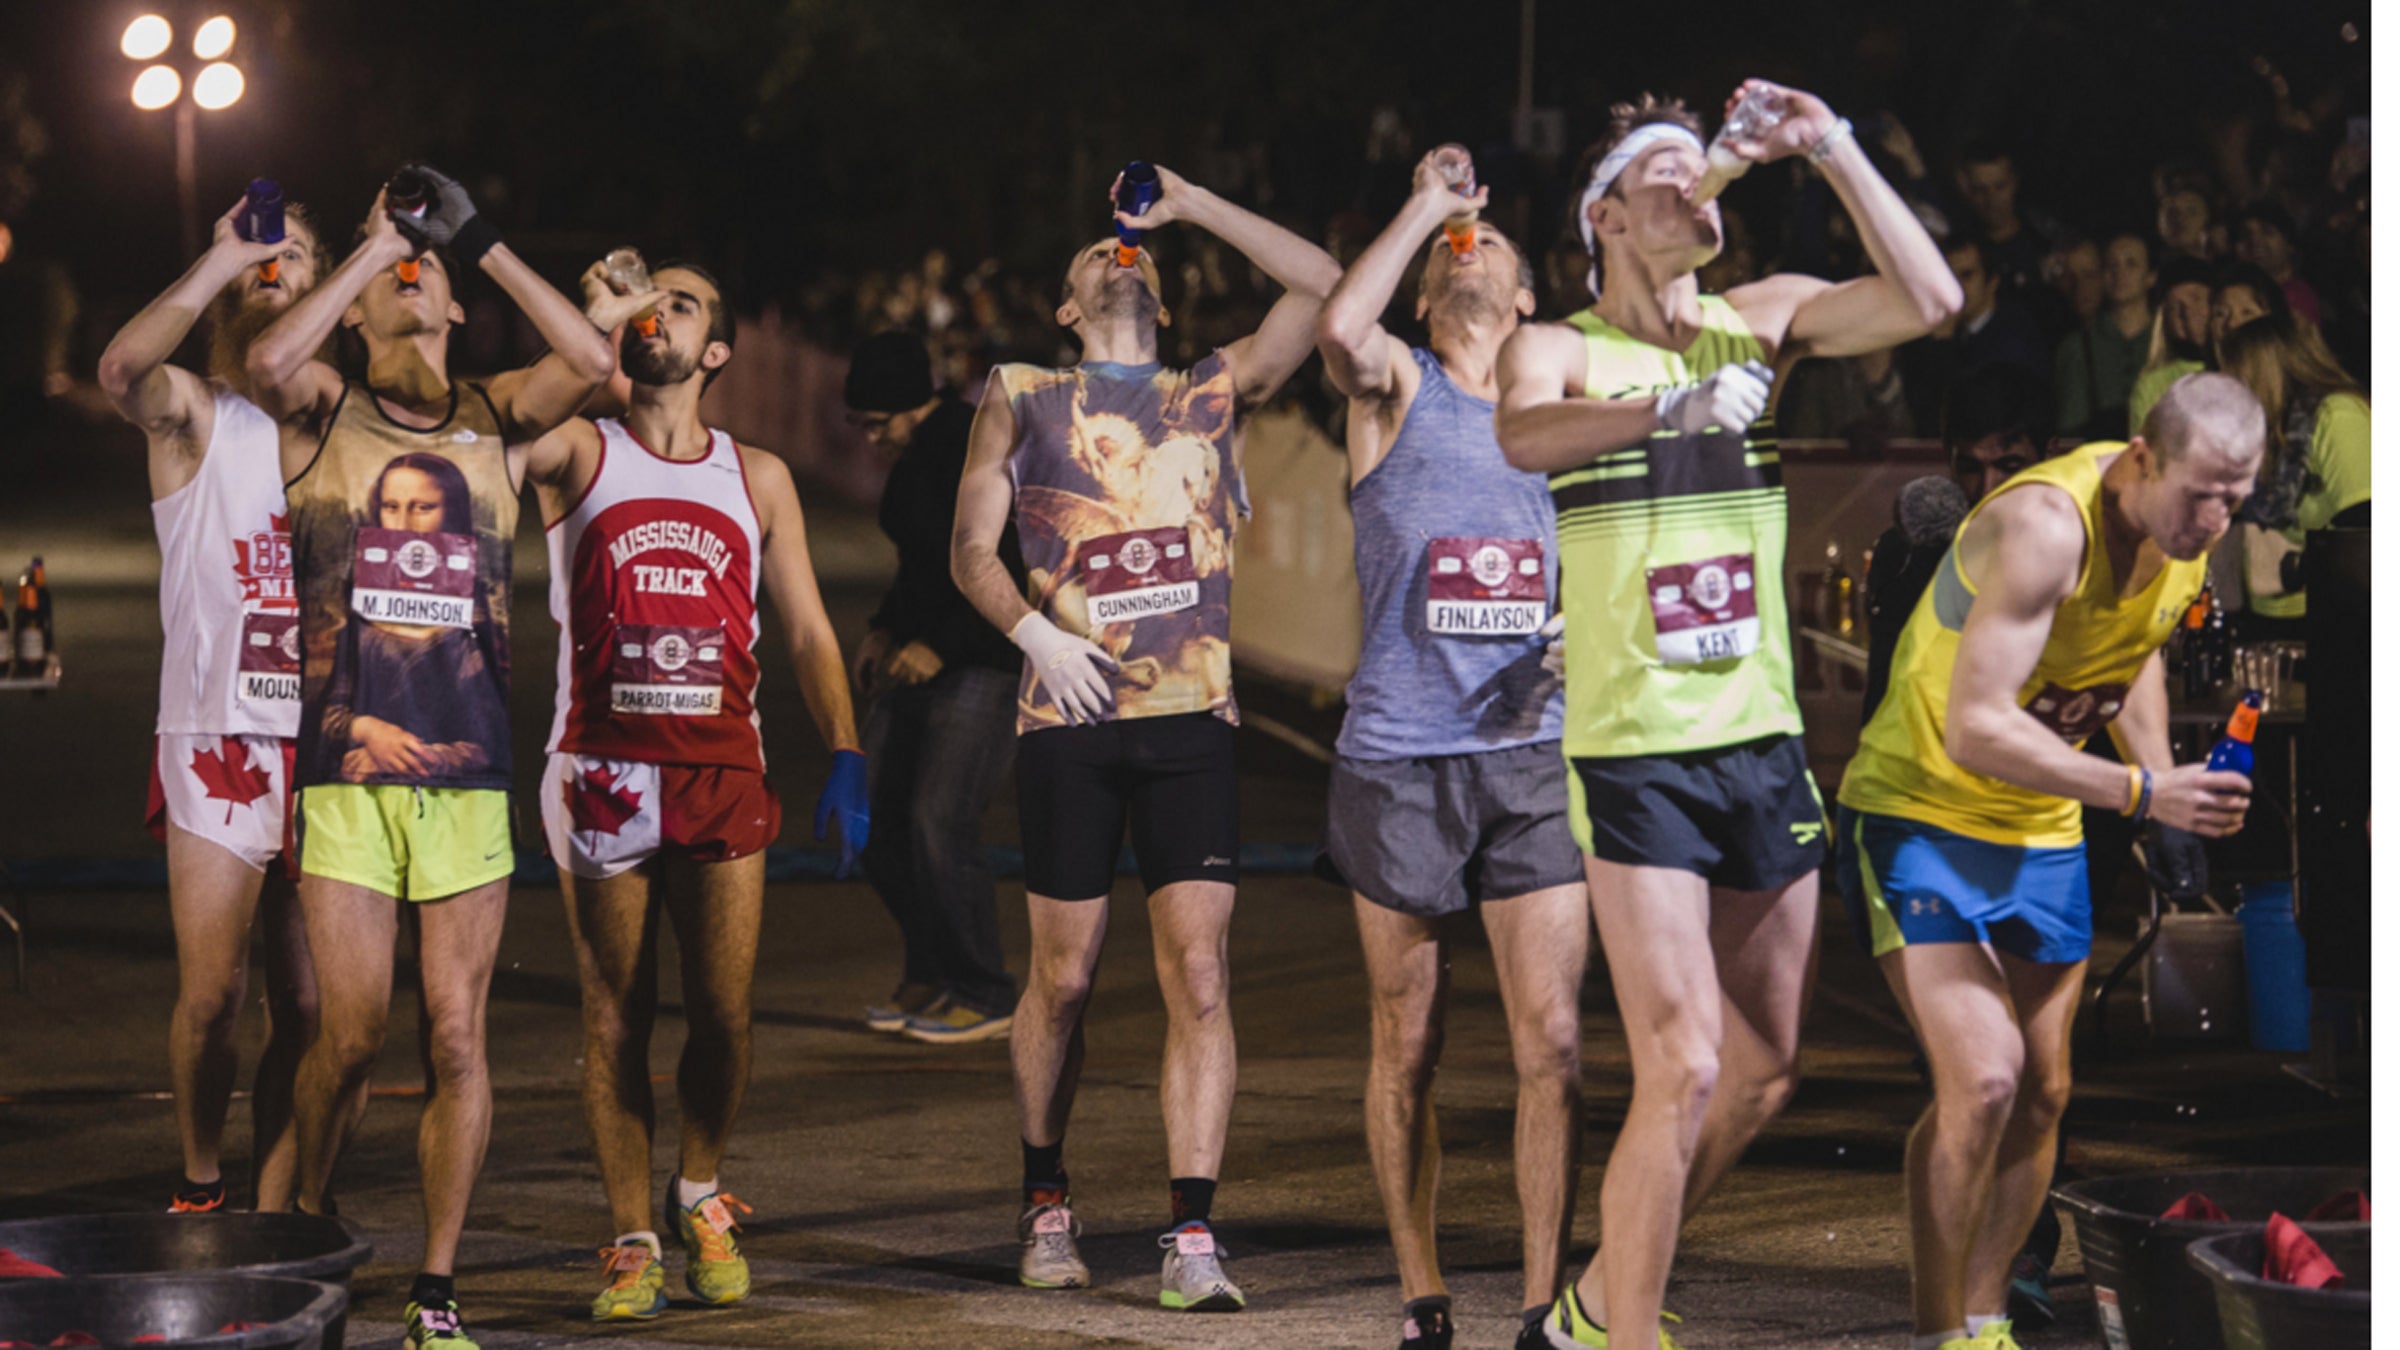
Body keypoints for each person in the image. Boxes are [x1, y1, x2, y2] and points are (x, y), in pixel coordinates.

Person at [1493, 83, 1960, 1348]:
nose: (1690, 183)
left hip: (1757, 741)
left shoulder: (1758, 321)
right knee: (1684, 1064)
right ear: (1604, 213)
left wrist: (1837, 147)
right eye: (1661, 169)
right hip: (1637, 751)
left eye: (1703, 167)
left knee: (1757, 1073)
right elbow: (1522, 432)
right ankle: (1622, 1333)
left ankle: (1597, 1303)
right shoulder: (1568, 345)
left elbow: (1933, 302)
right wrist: (1663, 409)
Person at [244, 166, 631, 1350]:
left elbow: (595, 368)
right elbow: (263, 365)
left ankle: (436, 1287)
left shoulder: (497, 412)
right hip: (347, 781)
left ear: (459, 309)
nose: (417, 270)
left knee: (455, 1036)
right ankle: (305, 1217)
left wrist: (486, 240)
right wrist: (368, 249)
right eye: (392, 274)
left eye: (434, 269)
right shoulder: (320, 410)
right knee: (349, 1036)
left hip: (465, 780)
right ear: (357, 313)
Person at [950, 163, 1338, 1313]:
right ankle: (1045, 1195)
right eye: (1095, 256)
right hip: (1068, 715)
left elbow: (1320, 285)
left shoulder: (1208, 393)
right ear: (1068, 311)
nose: (1115, 257)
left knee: (1202, 977)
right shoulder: (1021, 391)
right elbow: (970, 551)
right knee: (1063, 981)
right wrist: (1034, 636)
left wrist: (1189, 205)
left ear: (1161, 299)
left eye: (1134, 259)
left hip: (1186, 723)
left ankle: (1191, 1231)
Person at [1834, 374, 2265, 1350]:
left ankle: (1985, 1315)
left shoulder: (2188, 538)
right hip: (1923, 808)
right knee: (1983, 1079)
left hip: (2040, 825)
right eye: (2201, 493)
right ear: (2142, 458)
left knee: (2044, 1091)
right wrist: (2145, 795)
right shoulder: (2044, 525)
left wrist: (2161, 784)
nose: (2215, 518)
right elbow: (1977, 728)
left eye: (2236, 499)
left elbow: (2136, 646)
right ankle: (1939, 1333)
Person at [531, 260, 868, 1319]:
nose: (657, 313)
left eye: (680, 303)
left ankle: (700, 1187)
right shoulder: (579, 449)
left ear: (715, 350)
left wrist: (846, 750)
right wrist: (590, 318)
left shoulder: (754, 474)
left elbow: (808, 626)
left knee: (723, 1016)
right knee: (614, 1016)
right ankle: (632, 1235)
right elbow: (507, 418)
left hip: (722, 763)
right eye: (648, 301)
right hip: (603, 765)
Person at [1314, 149, 1587, 1350]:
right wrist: (1431, 202)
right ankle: (1424, 1290)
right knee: (1408, 1043)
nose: (1469, 250)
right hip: (1399, 761)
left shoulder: (1555, 419)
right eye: (1446, 256)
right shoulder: (1393, 389)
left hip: (1531, 755)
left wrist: (1591, 628)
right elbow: (1337, 318)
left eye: (1492, 245)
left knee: (1555, 1046)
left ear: (1527, 302)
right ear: (1427, 298)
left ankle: (1538, 1303)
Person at [96, 193, 329, 1215]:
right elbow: (119, 373)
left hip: (325, 743)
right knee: (214, 996)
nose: (275, 268)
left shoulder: (347, 432)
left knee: (315, 1007)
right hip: (219, 733)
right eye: (261, 257)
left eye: (295, 256)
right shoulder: (197, 413)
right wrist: (222, 251)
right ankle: (200, 1185)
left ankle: (281, 1208)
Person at [844, 330, 1023, 1044]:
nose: (869, 440)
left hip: (982, 661)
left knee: (937, 820)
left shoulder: (965, 444)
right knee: (873, 821)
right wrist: (885, 628)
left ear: (912, 407)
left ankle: (984, 988)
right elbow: (919, 564)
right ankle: (932, 968)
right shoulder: (915, 455)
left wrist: (940, 644)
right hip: (919, 657)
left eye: (875, 424)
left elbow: (1001, 560)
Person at [2214, 310, 2371, 631]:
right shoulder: (2263, 427)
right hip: (2262, 611)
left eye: (2235, 375)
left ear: (2265, 372)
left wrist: (2299, 568)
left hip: (2333, 614)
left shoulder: (2337, 415)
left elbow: (2365, 530)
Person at [2052, 233, 2154, 440]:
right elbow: (2069, 433)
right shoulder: (2077, 348)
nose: (2120, 273)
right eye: (2112, 265)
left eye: (2131, 264)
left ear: (2151, 276)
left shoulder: (2168, 341)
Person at [2126, 256, 2213, 431]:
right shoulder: (2151, 384)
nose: (2187, 312)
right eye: (2175, 305)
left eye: (2196, 298)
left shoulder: (2237, 367)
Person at [2232, 202, 2322, 326]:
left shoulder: (2296, 299)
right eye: (2246, 234)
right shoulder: (2238, 293)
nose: (2254, 240)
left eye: (2267, 232)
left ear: (2290, 244)